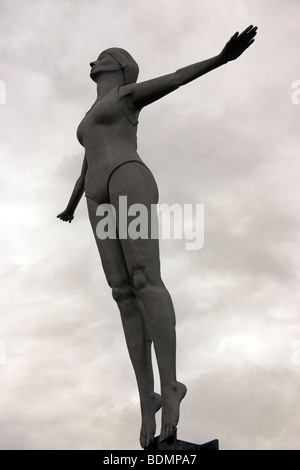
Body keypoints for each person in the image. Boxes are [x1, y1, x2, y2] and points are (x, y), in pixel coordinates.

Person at [57, 25, 257, 448]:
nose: (93, 61)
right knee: (121, 292)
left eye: (101, 55)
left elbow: (176, 77)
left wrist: (221, 59)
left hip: (129, 177)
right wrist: (72, 204)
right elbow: (87, 159)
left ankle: (171, 387)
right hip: (97, 191)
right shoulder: (90, 116)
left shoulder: (125, 98)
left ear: (118, 66)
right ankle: (147, 400)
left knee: (145, 278)